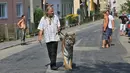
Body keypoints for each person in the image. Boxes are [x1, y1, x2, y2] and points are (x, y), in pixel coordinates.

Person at [38, 5, 60, 70]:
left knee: (54, 51)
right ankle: (52, 62)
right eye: (51, 11)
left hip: (55, 37)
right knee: (50, 52)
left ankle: (53, 64)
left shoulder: (55, 17)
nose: (53, 12)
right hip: (48, 38)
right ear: (47, 12)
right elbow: (41, 29)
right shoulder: (43, 19)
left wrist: (59, 28)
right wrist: (40, 36)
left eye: (53, 11)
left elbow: (58, 25)